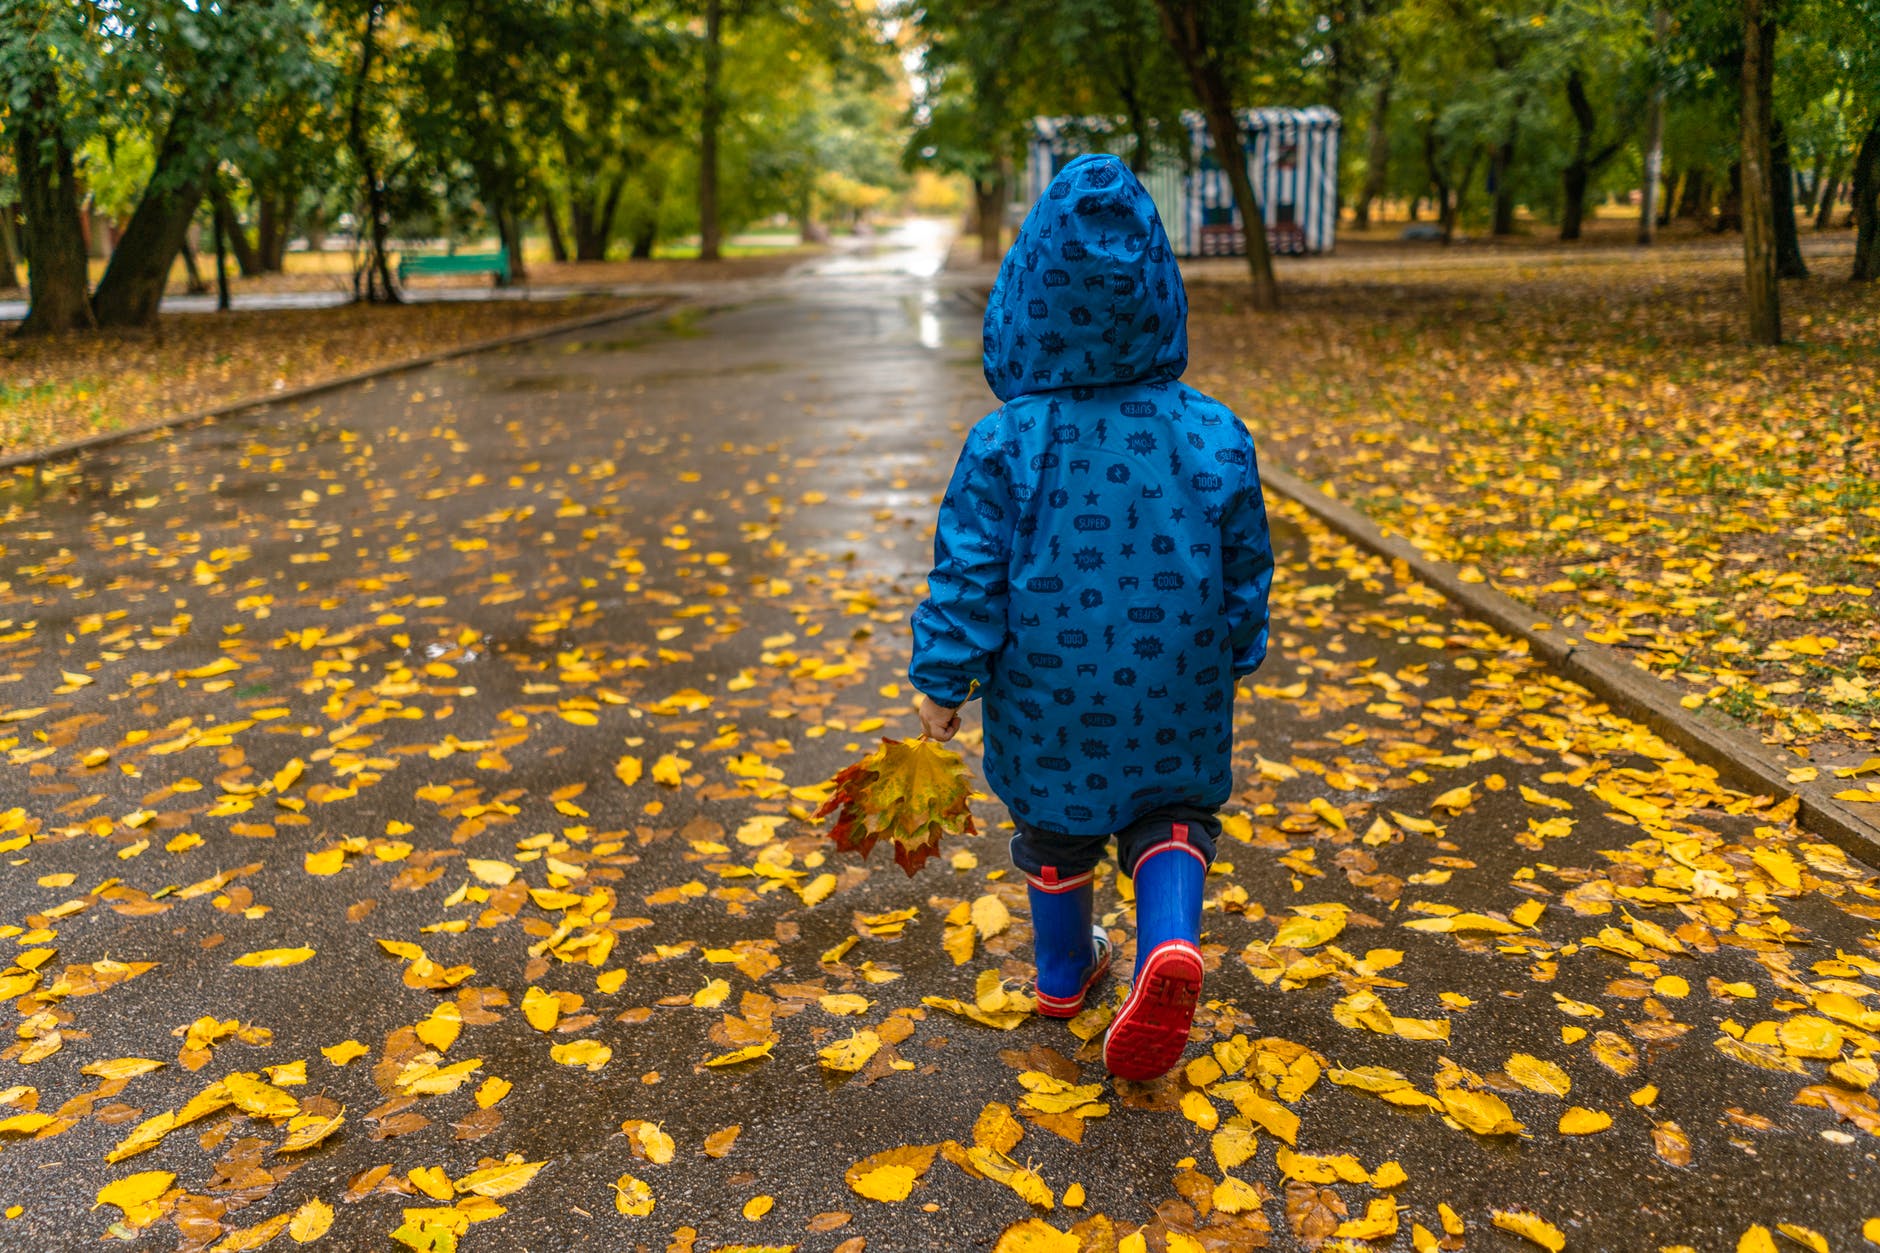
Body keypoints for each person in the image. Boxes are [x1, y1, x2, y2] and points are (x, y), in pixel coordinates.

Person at [908, 153, 1275, 1082]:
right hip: (1177, 680)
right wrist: (1238, 646)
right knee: (1175, 814)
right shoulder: (1214, 431)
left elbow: (970, 570)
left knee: (1055, 826)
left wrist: (941, 679)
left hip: (1049, 693)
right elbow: (1243, 561)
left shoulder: (1005, 442)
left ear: (1025, 295)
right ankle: (1166, 947)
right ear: (1159, 289)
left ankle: (1066, 973)